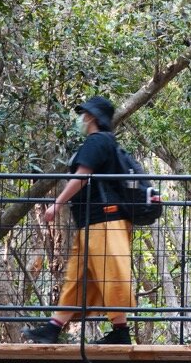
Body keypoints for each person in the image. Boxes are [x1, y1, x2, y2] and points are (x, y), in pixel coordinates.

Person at [22, 95, 135, 345]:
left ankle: (121, 332)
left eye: (83, 114)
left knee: (110, 274)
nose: (81, 119)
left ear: (92, 117)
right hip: (93, 220)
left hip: (105, 220)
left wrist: (57, 204)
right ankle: (54, 327)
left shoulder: (97, 142)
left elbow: (81, 176)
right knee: (79, 277)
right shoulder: (105, 142)